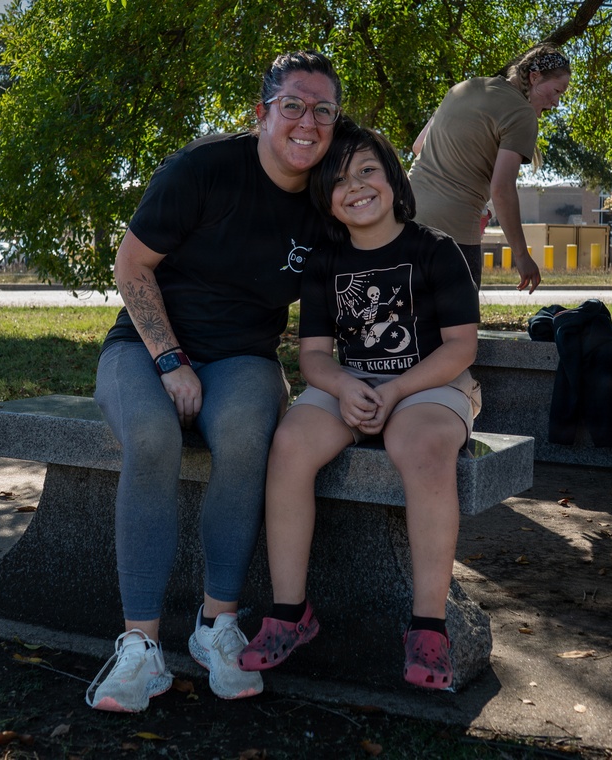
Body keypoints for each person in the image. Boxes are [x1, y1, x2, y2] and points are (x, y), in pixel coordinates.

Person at [86, 51, 343, 713]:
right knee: (150, 436)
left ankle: (216, 627)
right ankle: (140, 649)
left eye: (323, 110)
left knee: (245, 430)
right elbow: (131, 265)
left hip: (243, 359)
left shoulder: (324, 201)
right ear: (261, 113)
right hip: (146, 347)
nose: (307, 122)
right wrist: (171, 360)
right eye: (293, 105)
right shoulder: (201, 168)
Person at [236, 122, 481, 691]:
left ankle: (428, 628)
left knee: (418, 446)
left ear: (394, 179)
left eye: (368, 170)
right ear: (326, 198)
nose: (357, 186)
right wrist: (345, 388)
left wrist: (395, 393)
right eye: (340, 179)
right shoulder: (325, 261)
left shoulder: (436, 250)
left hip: (429, 383)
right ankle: (291, 613)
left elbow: (462, 347)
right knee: (291, 443)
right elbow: (314, 356)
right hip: (351, 381)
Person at [408, 43, 572, 291]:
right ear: (534, 76)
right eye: (557, 91)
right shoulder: (522, 114)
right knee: (458, 327)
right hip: (455, 232)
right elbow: (502, 189)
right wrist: (521, 256)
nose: (557, 102)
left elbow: (419, 146)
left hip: (405, 218)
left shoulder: (464, 87)